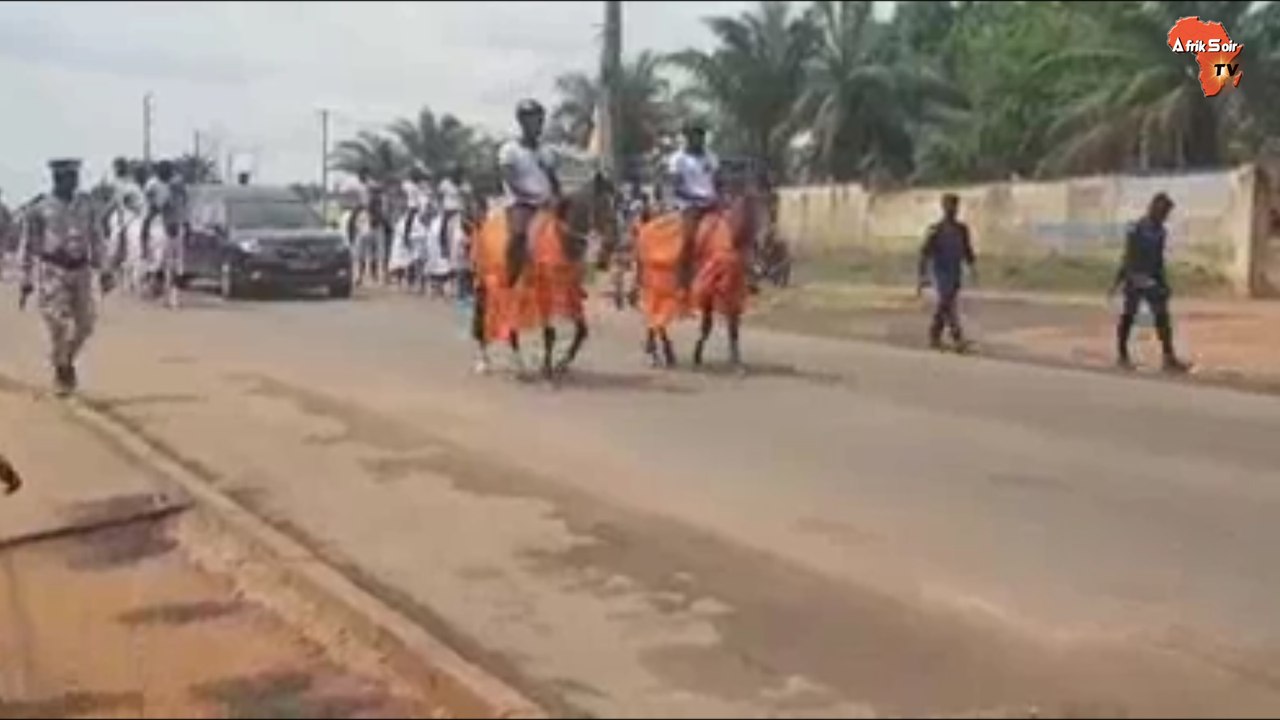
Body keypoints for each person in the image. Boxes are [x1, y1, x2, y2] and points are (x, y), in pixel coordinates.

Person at [18, 159, 116, 395]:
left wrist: (105, 270)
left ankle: (65, 360)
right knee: (58, 324)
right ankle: (62, 371)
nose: (73, 181)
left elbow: (97, 238)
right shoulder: (40, 208)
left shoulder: (87, 205)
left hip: (81, 269)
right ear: (57, 179)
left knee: (85, 324)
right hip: (53, 270)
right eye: (68, 177)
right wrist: (26, 279)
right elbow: (28, 245)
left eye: (75, 176)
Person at [1110, 192, 1191, 373]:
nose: (1165, 216)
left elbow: (1158, 260)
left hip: (1152, 278)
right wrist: (1124, 280)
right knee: (1129, 316)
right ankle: (1122, 355)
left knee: (1162, 318)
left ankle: (1168, 358)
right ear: (1153, 208)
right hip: (1135, 277)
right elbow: (1129, 257)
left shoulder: (1161, 231)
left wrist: (1163, 283)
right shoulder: (1137, 228)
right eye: (1163, 211)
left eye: (1167, 213)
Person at [497, 98, 561, 288]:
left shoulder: (547, 151)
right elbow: (511, 180)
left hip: (547, 204)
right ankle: (510, 277)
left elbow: (553, 179)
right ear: (522, 122)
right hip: (520, 204)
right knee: (518, 234)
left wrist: (558, 196)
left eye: (540, 119)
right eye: (533, 120)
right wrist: (536, 197)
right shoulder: (509, 150)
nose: (538, 124)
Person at [917, 193, 977, 352]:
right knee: (947, 303)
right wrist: (922, 276)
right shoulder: (935, 230)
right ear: (943, 208)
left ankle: (934, 336)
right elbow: (924, 253)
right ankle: (957, 338)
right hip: (940, 272)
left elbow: (967, 250)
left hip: (955, 272)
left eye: (954, 206)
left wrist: (972, 267)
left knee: (946, 305)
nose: (952, 209)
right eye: (949, 206)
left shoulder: (962, 229)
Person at [667, 120, 721, 290]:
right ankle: (682, 278)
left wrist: (722, 195)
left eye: (701, 136)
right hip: (689, 205)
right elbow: (676, 186)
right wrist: (695, 197)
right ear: (687, 138)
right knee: (689, 238)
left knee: (734, 231)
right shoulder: (678, 159)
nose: (698, 140)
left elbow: (718, 180)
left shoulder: (711, 157)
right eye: (694, 136)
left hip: (712, 203)